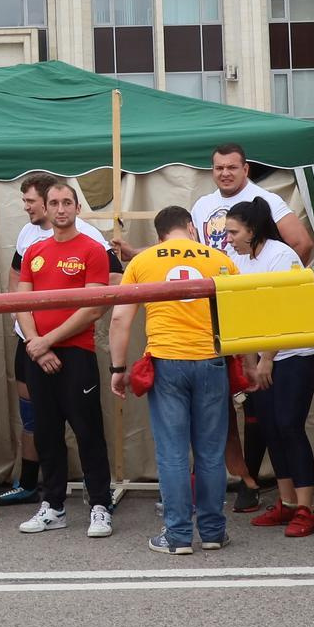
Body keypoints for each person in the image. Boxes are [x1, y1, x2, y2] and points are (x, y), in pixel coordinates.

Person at [108, 205, 235, 555]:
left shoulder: (145, 262)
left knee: (173, 452)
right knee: (210, 453)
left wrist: (117, 370)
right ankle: (212, 532)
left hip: (167, 361)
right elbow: (239, 318)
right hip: (211, 360)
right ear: (191, 228)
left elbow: (120, 320)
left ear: (160, 234)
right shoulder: (220, 259)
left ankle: (178, 535)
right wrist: (250, 365)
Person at [15, 180, 116, 540]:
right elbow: (21, 302)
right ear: (45, 206)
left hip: (76, 355)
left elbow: (92, 309)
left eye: (66, 203)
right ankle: (53, 505)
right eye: (54, 202)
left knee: (88, 433)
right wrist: (35, 344)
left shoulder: (93, 250)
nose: (60, 209)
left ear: (77, 208)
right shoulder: (33, 251)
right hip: (38, 356)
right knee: (45, 433)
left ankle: (100, 506)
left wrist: (47, 343)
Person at [230, 198, 314, 537]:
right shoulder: (239, 258)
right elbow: (243, 312)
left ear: (252, 231)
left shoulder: (281, 256)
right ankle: (286, 503)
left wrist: (267, 358)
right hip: (262, 352)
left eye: (234, 232)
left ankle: (306, 507)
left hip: (296, 352)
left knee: (289, 425)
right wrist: (251, 361)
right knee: (268, 426)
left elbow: (285, 312)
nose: (228, 239)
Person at [193, 143, 314, 264]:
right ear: (212, 170)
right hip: (215, 281)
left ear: (245, 169)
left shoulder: (266, 200)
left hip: (254, 282)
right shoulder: (201, 205)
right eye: (219, 168)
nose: (225, 173)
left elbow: (302, 244)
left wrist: (281, 278)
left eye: (232, 167)